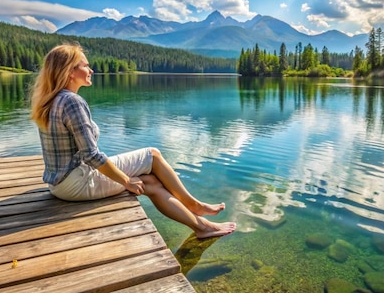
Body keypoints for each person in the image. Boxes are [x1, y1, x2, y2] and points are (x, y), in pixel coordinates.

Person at [30, 43, 236, 239]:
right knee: (153, 155)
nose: (91, 70)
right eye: (85, 65)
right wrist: (126, 181)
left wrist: (126, 179)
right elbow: (91, 156)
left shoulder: (52, 99)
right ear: (70, 71)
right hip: (77, 183)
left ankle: (201, 226)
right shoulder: (72, 101)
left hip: (59, 185)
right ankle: (195, 206)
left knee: (150, 183)